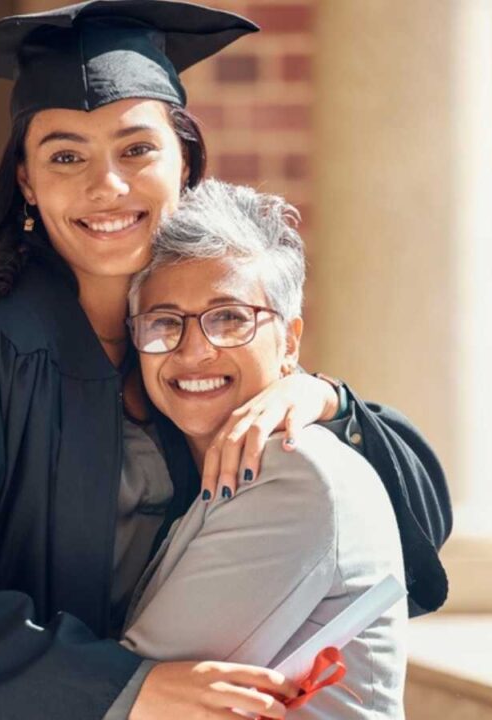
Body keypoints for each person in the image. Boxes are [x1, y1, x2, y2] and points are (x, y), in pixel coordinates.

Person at [0, 2, 450, 718]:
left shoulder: (203, 340)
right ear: (27, 183)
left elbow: (410, 521)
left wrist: (325, 400)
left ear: (185, 162)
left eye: (136, 150)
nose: (107, 187)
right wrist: (121, 688)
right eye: (66, 156)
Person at [121, 179, 406, 719]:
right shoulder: (192, 473)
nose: (195, 349)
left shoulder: (296, 472)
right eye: (164, 323)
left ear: (290, 342)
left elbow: (138, 694)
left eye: (229, 318)